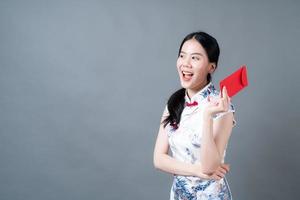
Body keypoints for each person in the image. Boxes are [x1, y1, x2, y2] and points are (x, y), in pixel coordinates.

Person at [153, 31, 237, 200]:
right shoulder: (174, 103)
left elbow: (209, 167)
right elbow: (158, 159)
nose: (186, 63)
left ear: (211, 67)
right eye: (182, 56)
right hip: (179, 195)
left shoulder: (222, 107)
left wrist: (207, 117)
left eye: (195, 58)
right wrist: (196, 170)